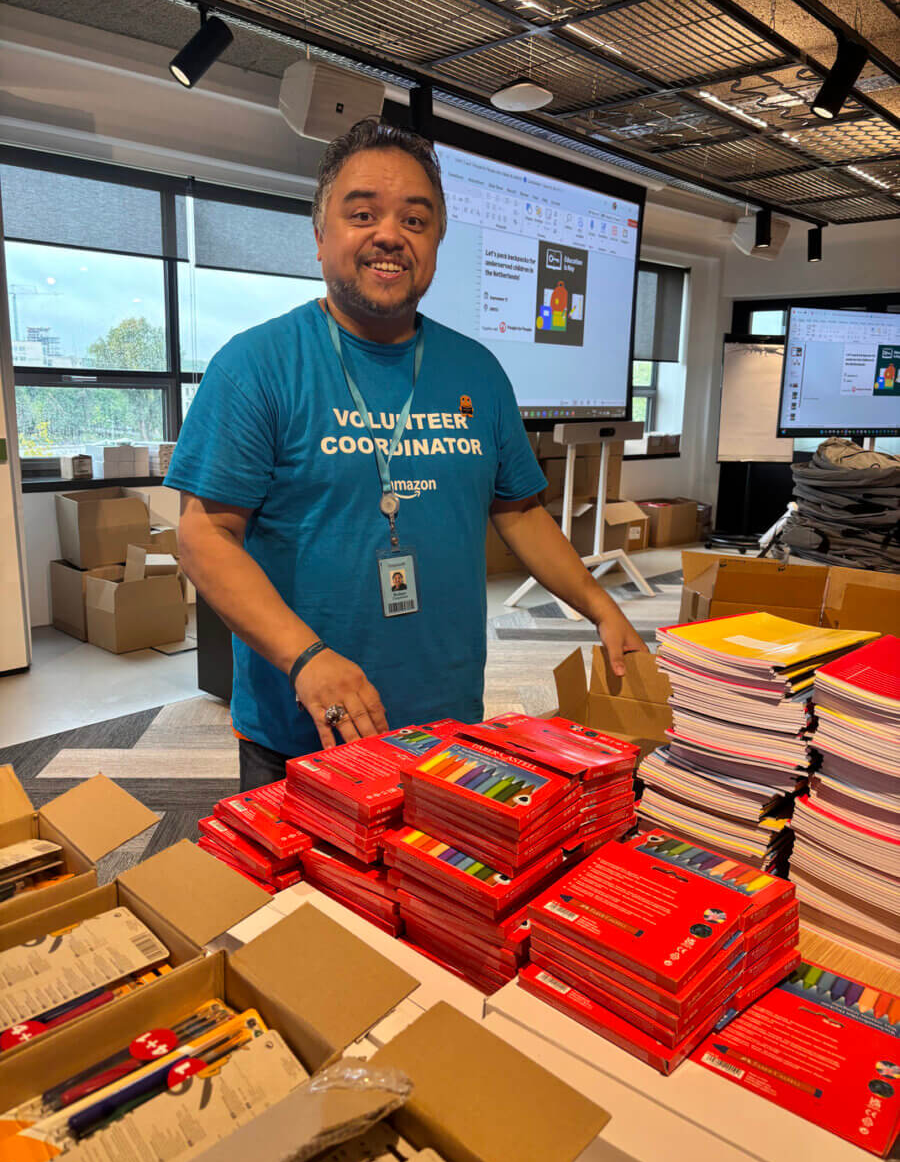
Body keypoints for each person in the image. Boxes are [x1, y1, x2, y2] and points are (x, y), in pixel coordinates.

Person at [168, 119, 647, 791]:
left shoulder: (477, 371)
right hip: (305, 725)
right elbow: (203, 536)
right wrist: (305, 658)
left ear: (436, 245)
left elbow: (520, 513)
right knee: (299, 901)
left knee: (437, 893)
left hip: (446, 721)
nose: (390, 234)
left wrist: (600, 604)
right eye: (362, 213)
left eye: (416, 220)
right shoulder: (256, 366)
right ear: (320, 235)